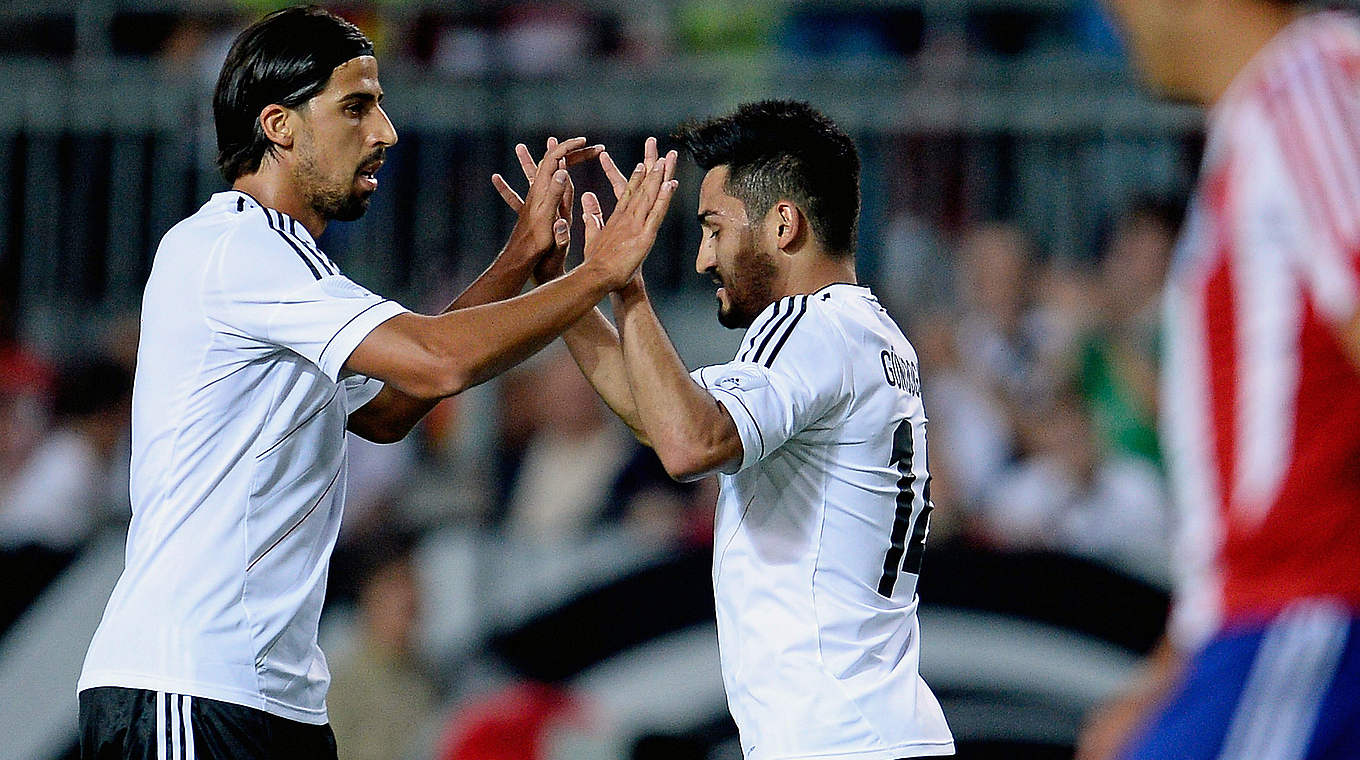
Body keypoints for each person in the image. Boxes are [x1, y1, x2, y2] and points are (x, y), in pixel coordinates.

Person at [75, 6, 677, 760]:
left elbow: (390, 409)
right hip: (188, 687)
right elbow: (437, 359)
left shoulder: (291, 270)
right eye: (356, 107)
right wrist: (599, 274)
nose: (386, 131)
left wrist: (519, 262)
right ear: (279, 126)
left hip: (268, 698)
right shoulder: (232, 248)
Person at [503, 101, 954, 759]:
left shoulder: (805, 326)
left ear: (783, 223)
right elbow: (662, 418)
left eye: (714, 229)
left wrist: (624, 287)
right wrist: (570, 286)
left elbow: (688, 447)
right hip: (876, 732)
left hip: (836, 742)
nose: (702, 259)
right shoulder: (867, 334)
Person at [1079, 1, 1360, 758]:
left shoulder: (1310, 89)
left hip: (1308, 613)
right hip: (1268, 627)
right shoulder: (1273, 114)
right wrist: (1175, 673)